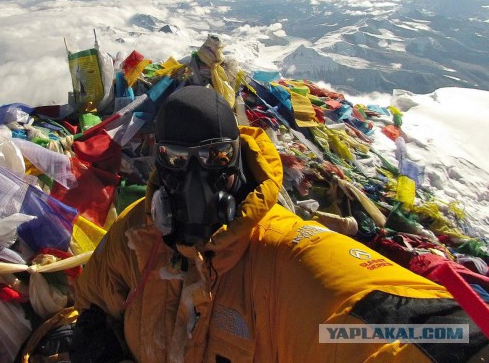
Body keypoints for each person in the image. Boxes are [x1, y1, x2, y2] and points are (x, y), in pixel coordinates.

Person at [70, 85, 488, 363]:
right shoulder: (136, 233)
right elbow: (92, 296)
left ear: (237, 157)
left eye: (215, 158)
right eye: (177, 160)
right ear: (158, 161)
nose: (195, 180)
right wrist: (94, 335)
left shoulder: (288, 257)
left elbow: (385, 321)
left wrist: (463, 342)